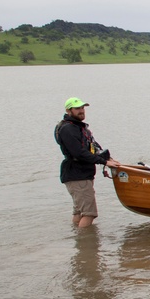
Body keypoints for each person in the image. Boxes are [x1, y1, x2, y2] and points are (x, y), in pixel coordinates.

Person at [55, 97, 121, 228]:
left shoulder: (79, 127)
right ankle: (86, 245)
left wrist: (107, 158)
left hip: (81, 174)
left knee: (79, 211)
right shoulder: (68, 129)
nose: (81, 111)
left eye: (82, 108)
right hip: (77, 175)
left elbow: (92, 146)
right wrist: (104, 162)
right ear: (69, 111)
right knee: (89, 214)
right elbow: (79, 152)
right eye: (77, 108)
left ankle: (77, 238)